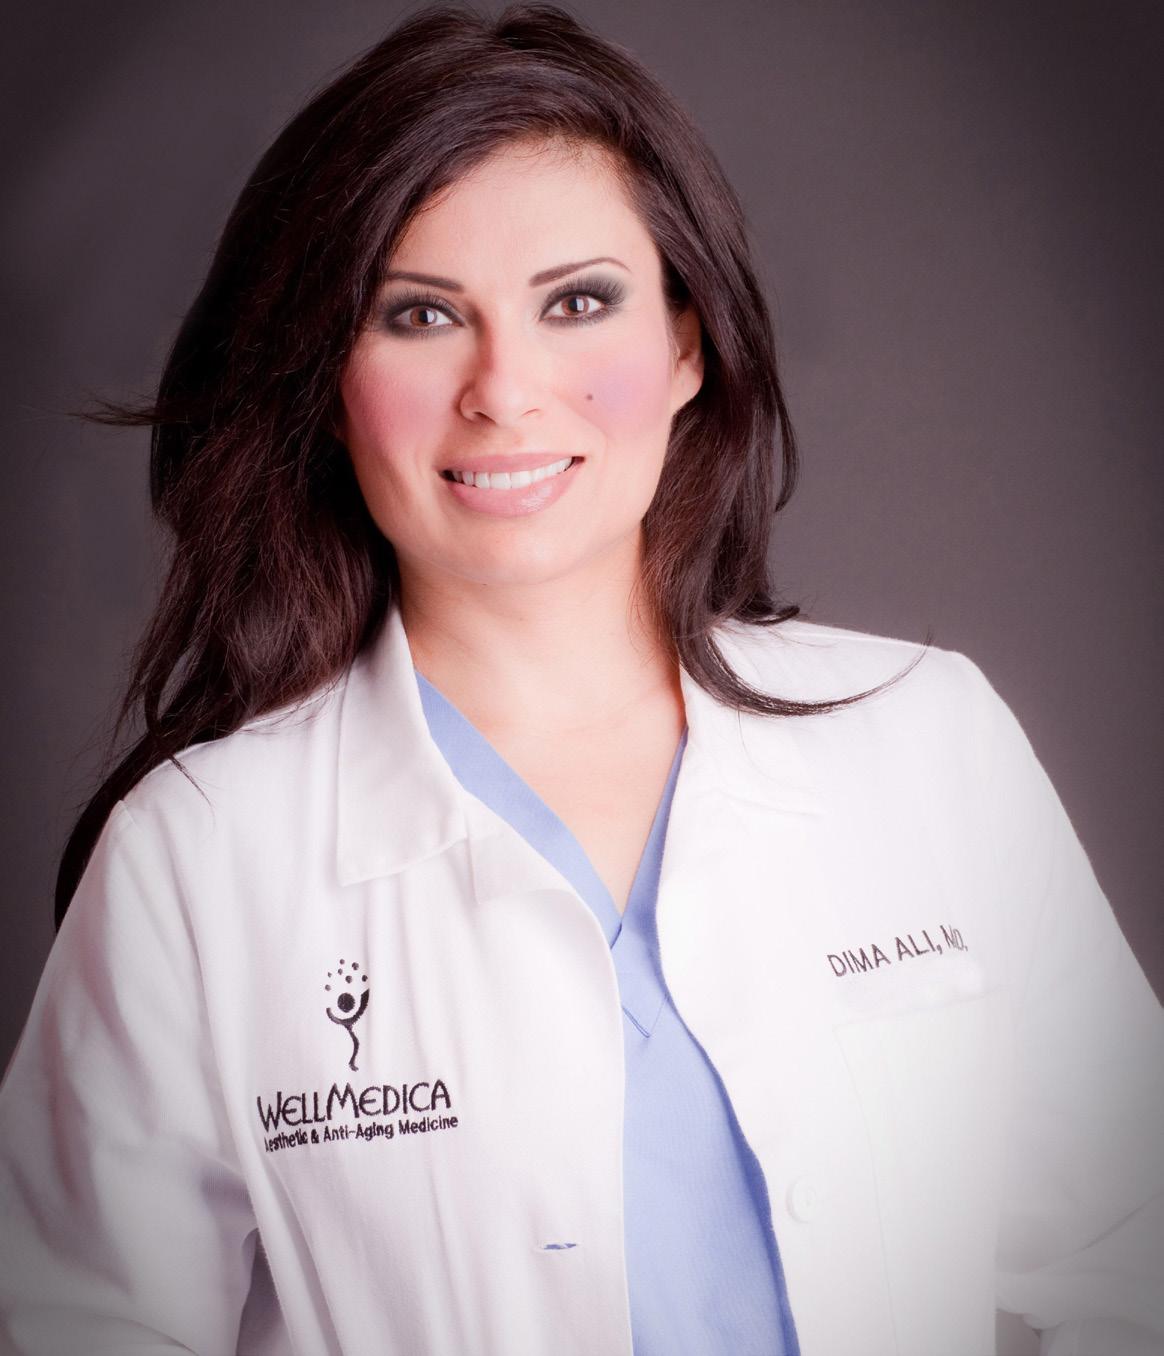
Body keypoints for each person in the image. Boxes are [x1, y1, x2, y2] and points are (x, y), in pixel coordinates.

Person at [1, 5, 1161, 1354]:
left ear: (687, 345)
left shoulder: (925, 740)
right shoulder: (199, 857)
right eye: (421, 314)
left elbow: (1135, 1252)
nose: (505, 389)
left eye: (577, 302)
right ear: (329, 381)